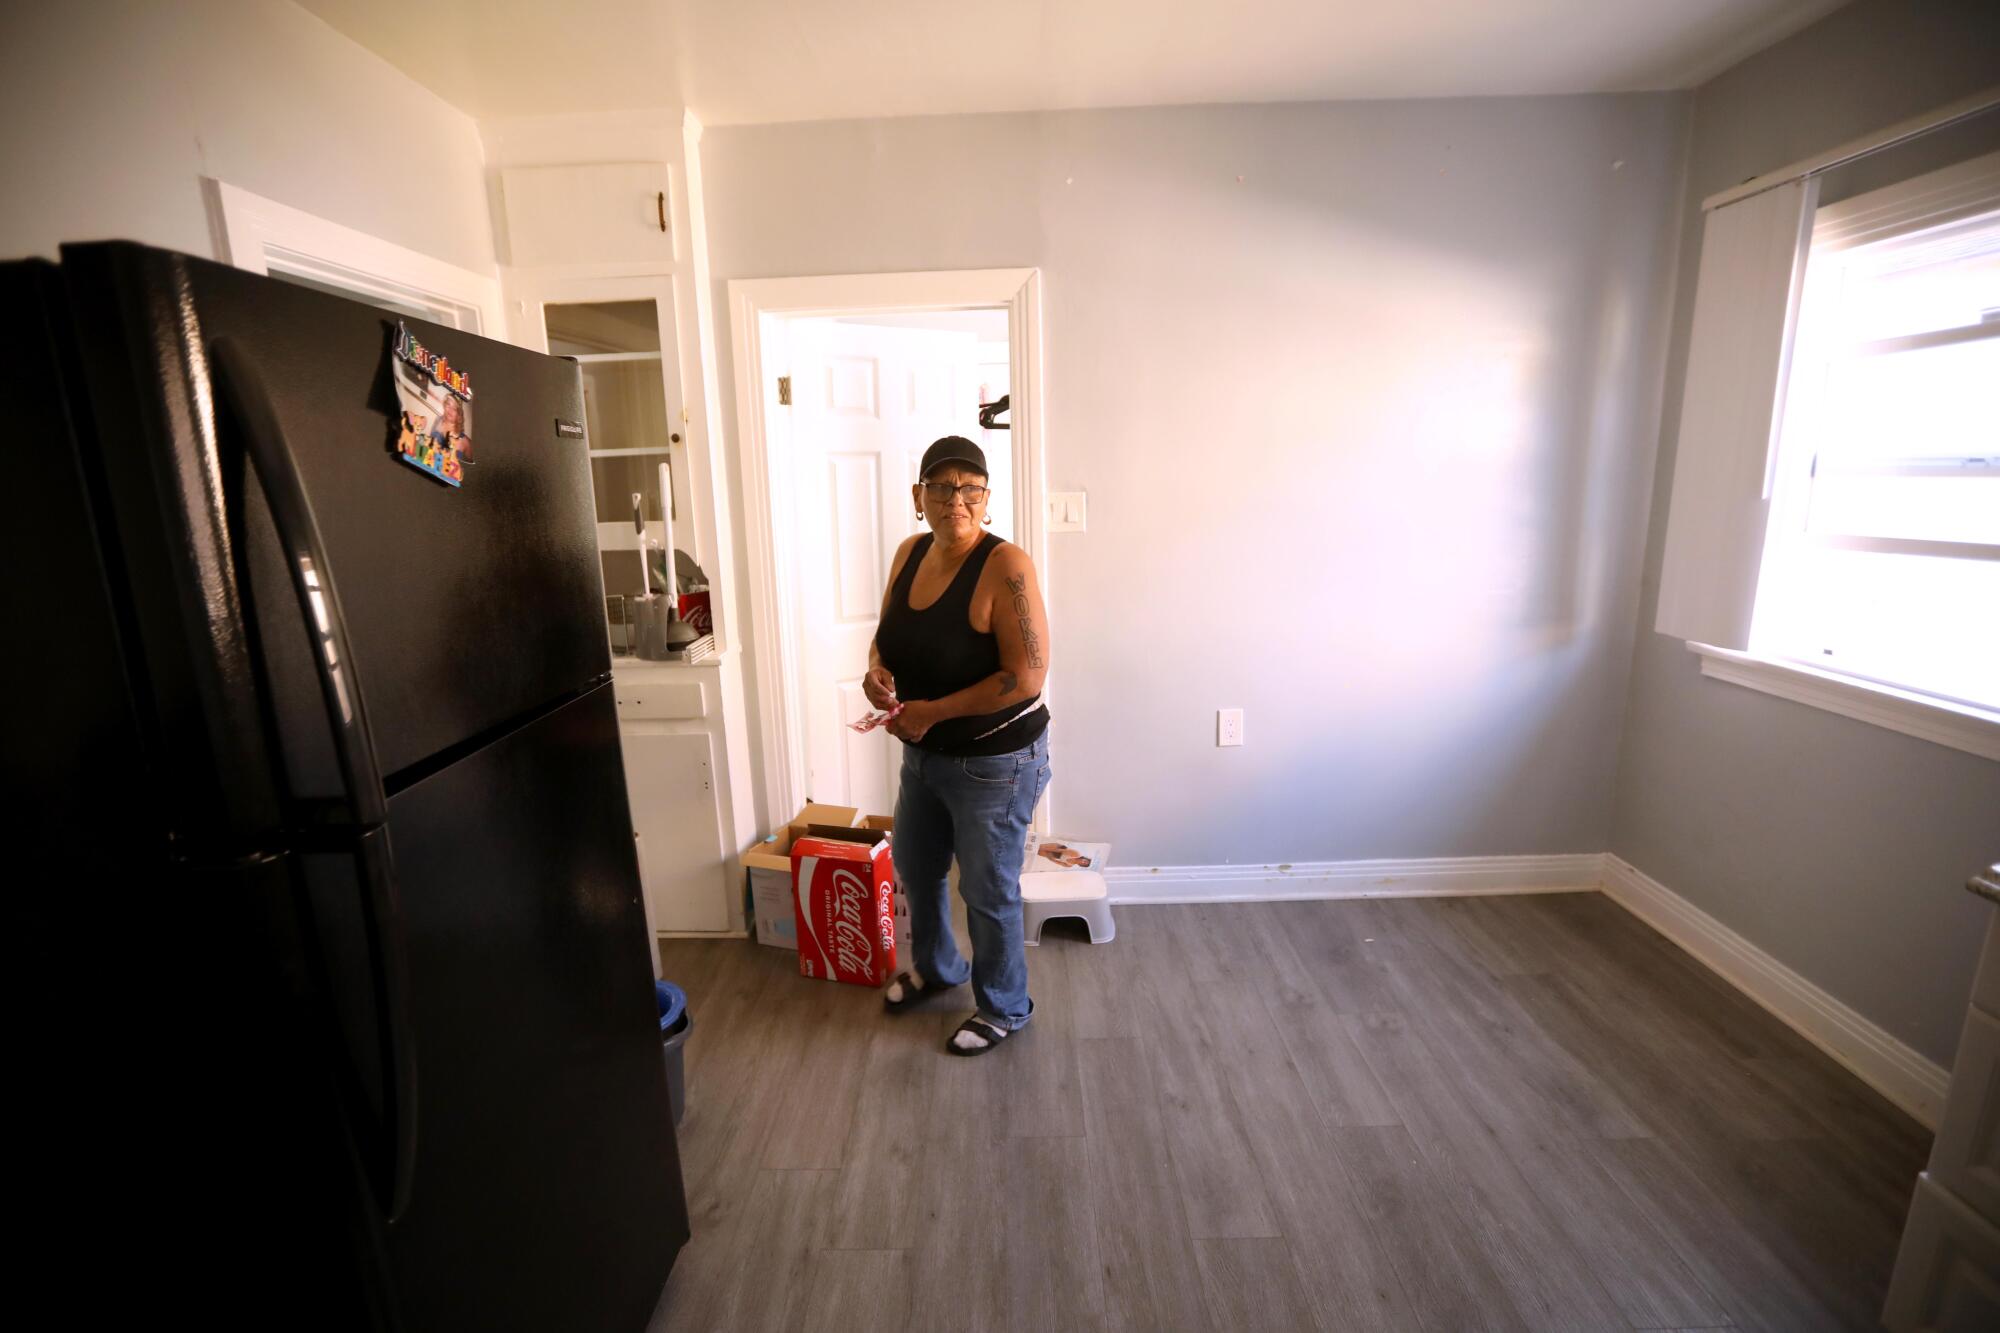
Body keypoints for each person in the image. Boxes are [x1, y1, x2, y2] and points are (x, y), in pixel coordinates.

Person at [867, 436, 1051, 1055]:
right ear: (919, 497)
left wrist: (930, 713)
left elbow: (1025, 678)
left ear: (987, 499)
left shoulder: (1008, 567)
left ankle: (1004, 1006)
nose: (956, 500)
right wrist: (876, 671)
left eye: (970, 488)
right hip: (924, 757)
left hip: (995, 764)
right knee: (917, 870)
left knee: (987, 889)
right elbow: (886, 637)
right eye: (941, 487)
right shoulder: (909, 553)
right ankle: (941, 968)